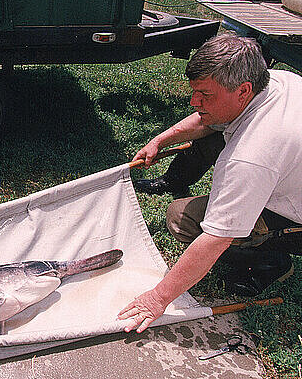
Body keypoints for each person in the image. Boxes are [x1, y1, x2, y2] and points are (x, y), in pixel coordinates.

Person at [118, 33, 302, 333]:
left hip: (296, 214)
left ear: (243, 90)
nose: (194, 102)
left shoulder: (251, 156)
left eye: (205, 94)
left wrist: (158, 298)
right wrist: (161, 140)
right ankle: (174, 180)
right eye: (194, 92)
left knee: (183, 219)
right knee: (216, 127)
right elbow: (208, 118)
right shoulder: (276, 81)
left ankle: (272, 262)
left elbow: (216, 237)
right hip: (291, 173)